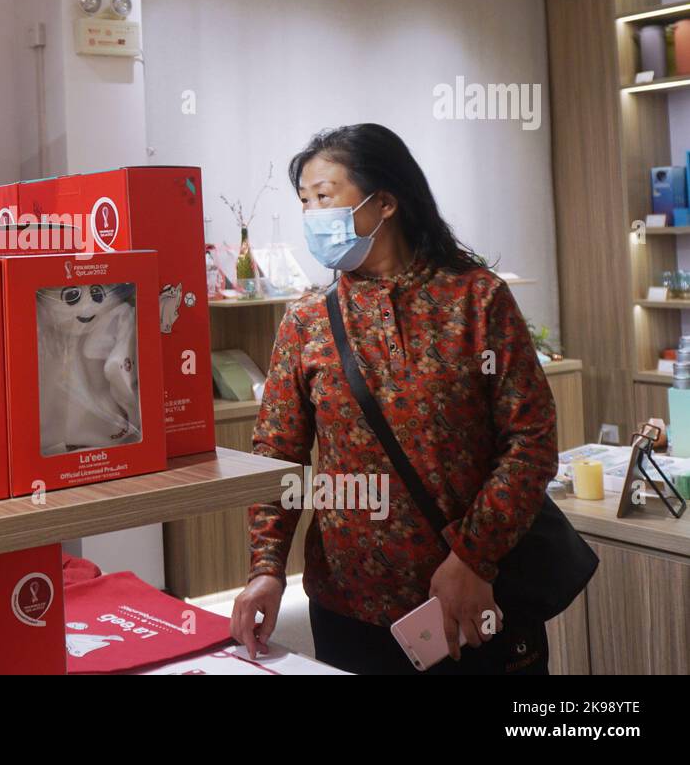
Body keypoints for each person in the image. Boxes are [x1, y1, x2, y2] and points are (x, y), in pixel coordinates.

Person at [229, 123, 558, 675]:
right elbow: (277, 454)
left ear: (385, 202)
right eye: (304, 202)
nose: (313, 216)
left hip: (475, 594)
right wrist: (266, 568)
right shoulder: (307, 320)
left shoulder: (476, 300)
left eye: (325, 197)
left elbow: (532, 442)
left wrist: (472, 557)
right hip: (348, 608)